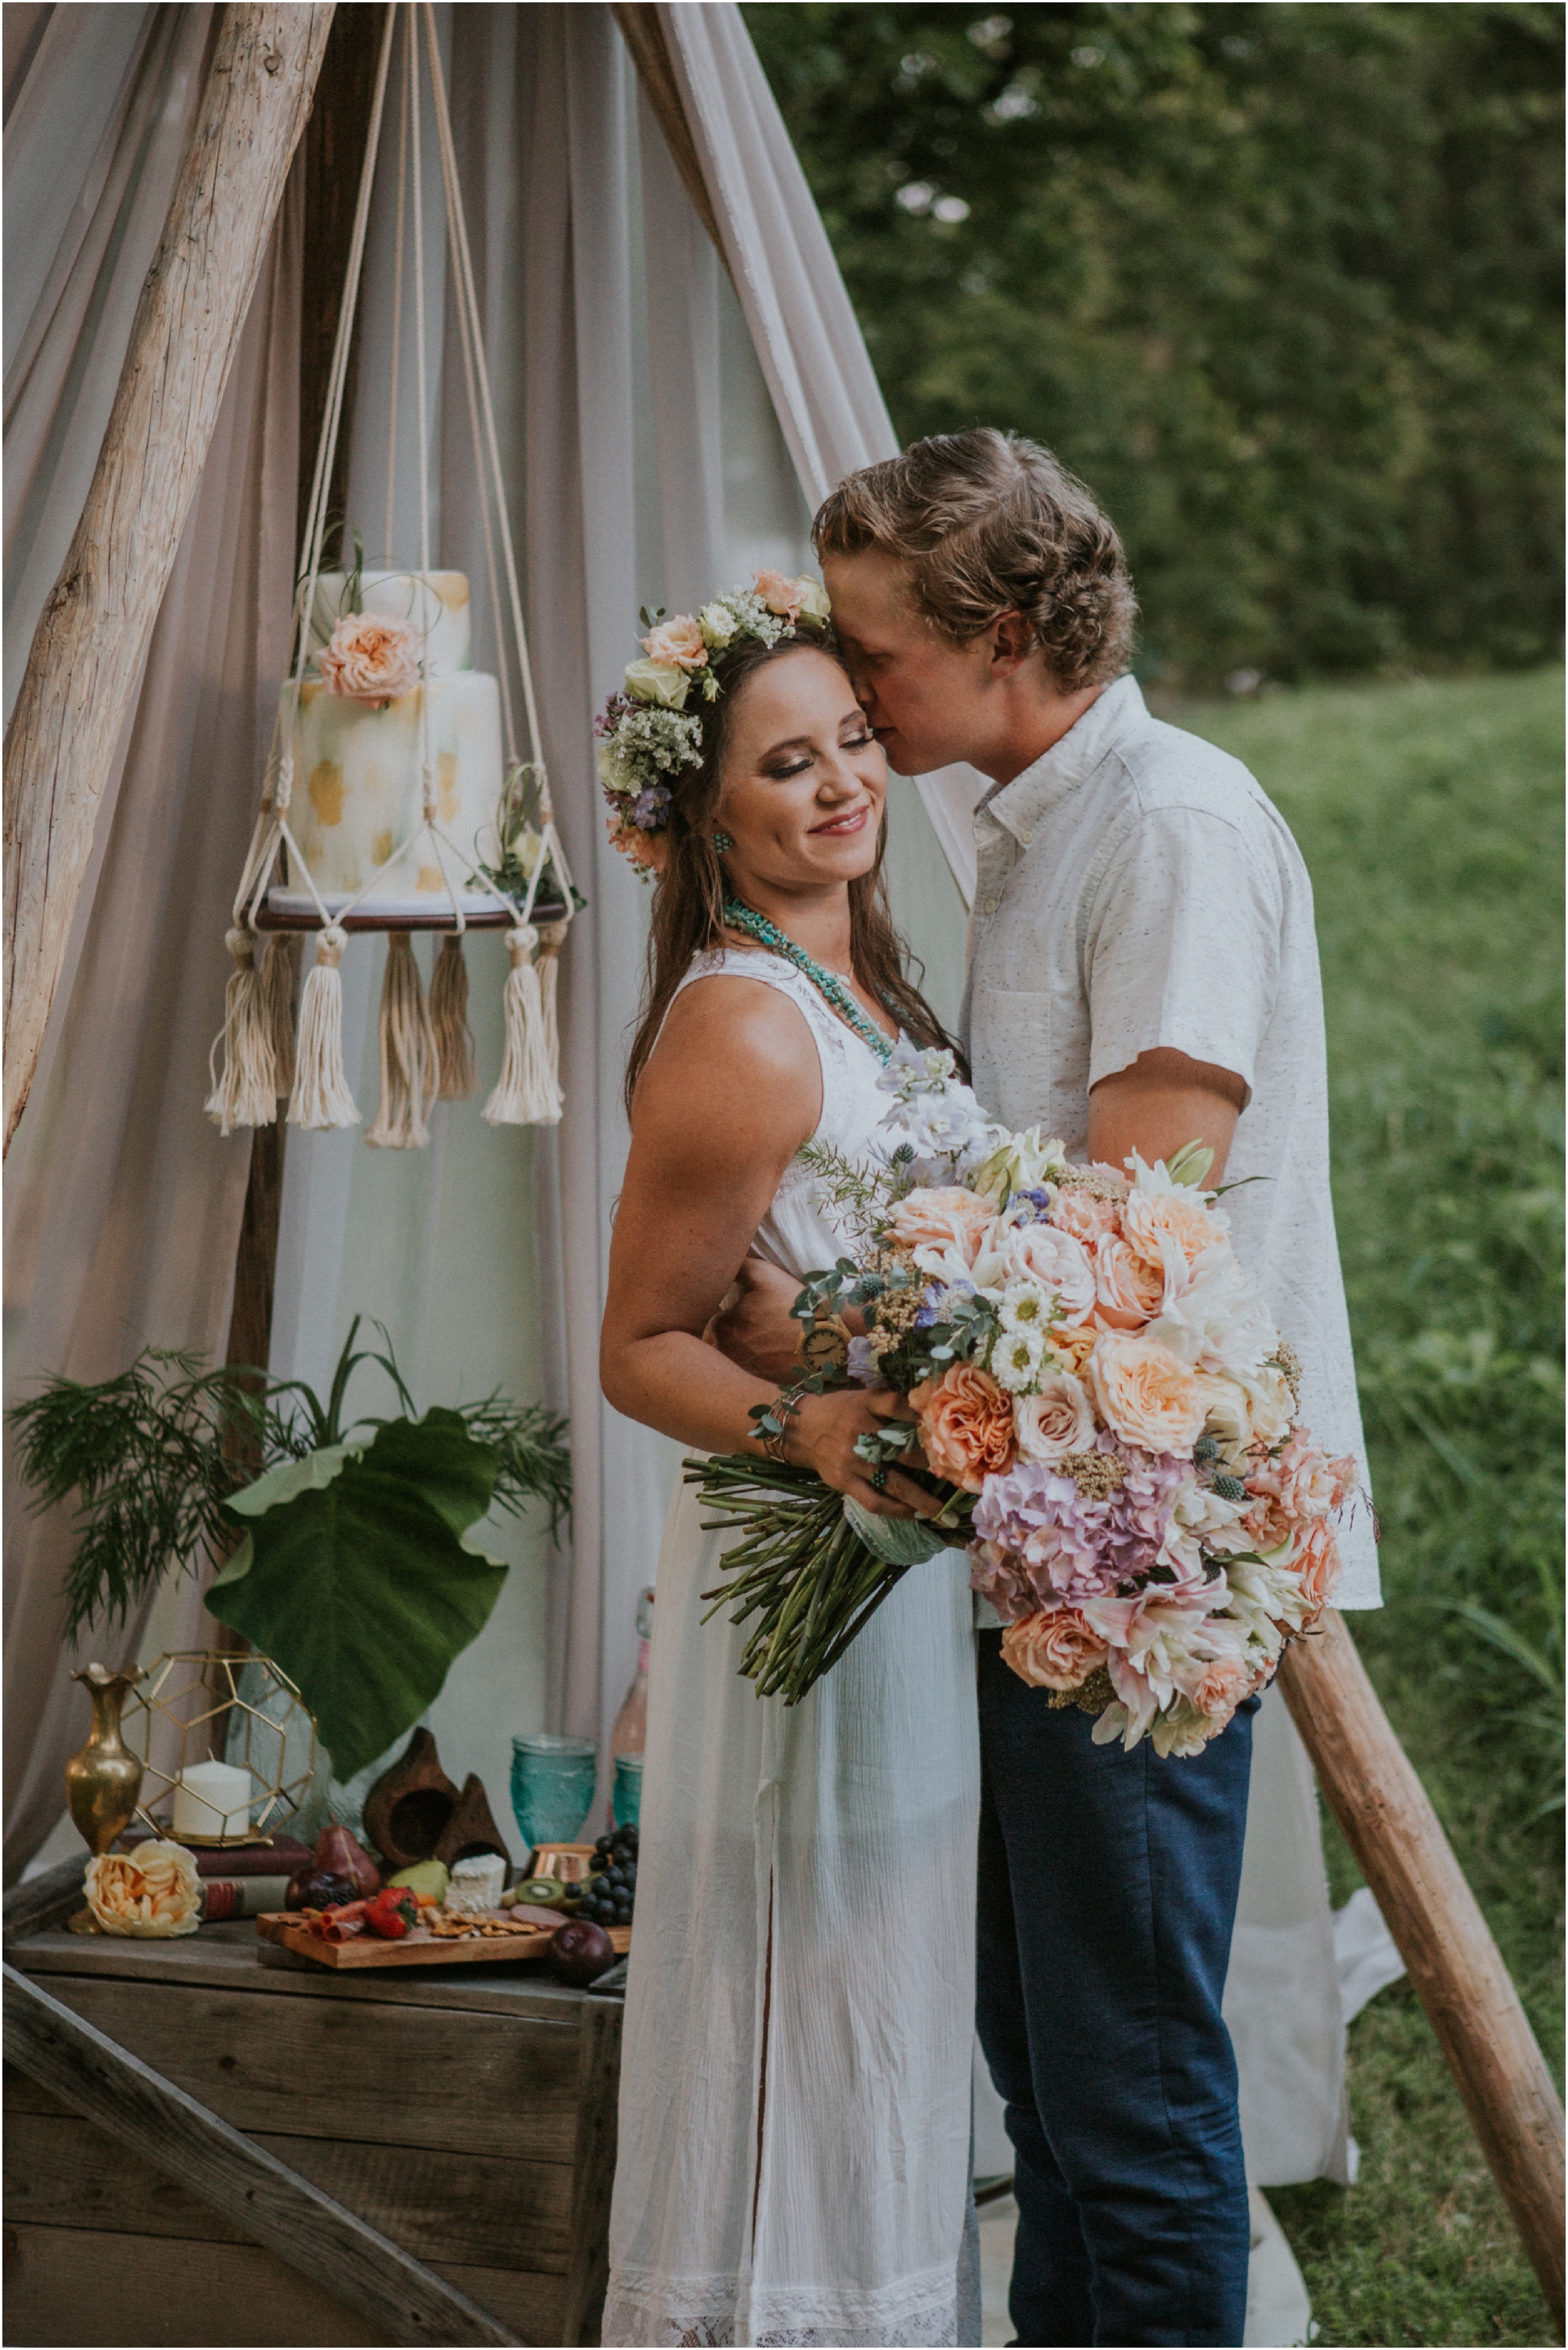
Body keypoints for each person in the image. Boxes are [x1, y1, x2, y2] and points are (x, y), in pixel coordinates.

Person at [718, 430, 1378, 2348]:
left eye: (875, 654)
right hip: (1040, 1533)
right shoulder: (1028, 825)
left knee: (1129, 2080)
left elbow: (1124, 1240)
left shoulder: (1168, 827)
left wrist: (823, 1334)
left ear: (1004, 635)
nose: (852, 694)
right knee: (1048, 2064)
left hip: (1144, 1549)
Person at [597, 576, 981, 2349]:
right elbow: (642, 1343)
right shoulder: (743, 1024)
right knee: (810, 1982)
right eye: (782, 762)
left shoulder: (869, 989)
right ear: (706, 812)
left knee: (881, 1985)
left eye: (849, 743)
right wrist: (811, 1419)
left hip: (900, 1581)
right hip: (801, 1594)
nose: (837, 783)